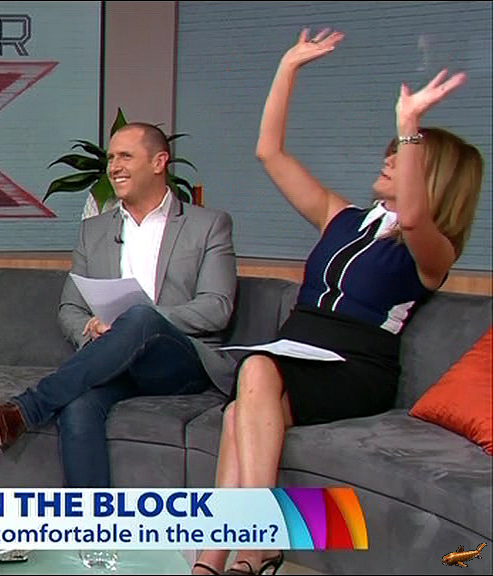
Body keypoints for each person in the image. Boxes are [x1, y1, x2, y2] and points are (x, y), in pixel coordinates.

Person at [192, 28, 483, 576]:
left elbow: (413, 217)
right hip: (294, 355)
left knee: (255, 370)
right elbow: (269, 152)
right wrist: (286, 67)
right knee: (237, 411)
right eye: (393, 151)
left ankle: (250, 546)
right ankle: (217, 562)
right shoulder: (342, 217)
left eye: (404, 155)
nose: (390, 158)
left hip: (354, 366)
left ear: (433, 177)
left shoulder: (431, 249)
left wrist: (409, 126)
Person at [0, 122, 238, 487]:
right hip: (115, 363)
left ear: (159, 162)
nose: (114, 167)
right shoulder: (94, 231)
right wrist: (94, 331)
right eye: (111, 158)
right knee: (77, 406)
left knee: (140, 318)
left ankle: (25, 409)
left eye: (125, 156)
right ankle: (89, 520)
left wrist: (137, 321)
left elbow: (217, 306)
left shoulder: (208, 225)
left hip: (179, 362)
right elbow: (70, 309)